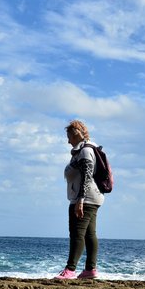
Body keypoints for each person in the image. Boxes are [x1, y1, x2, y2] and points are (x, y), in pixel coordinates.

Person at [55, 119, 105, 279]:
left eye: (69, 136)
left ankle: (70, 270)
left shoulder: (85, 151)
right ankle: (90, 270)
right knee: (90, 234)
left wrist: (80, 200)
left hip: (85, 198)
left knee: (77, 233)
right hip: (92, 197)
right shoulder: (86, 149)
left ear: (76, 135)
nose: (68, 140)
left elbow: (87, 176)